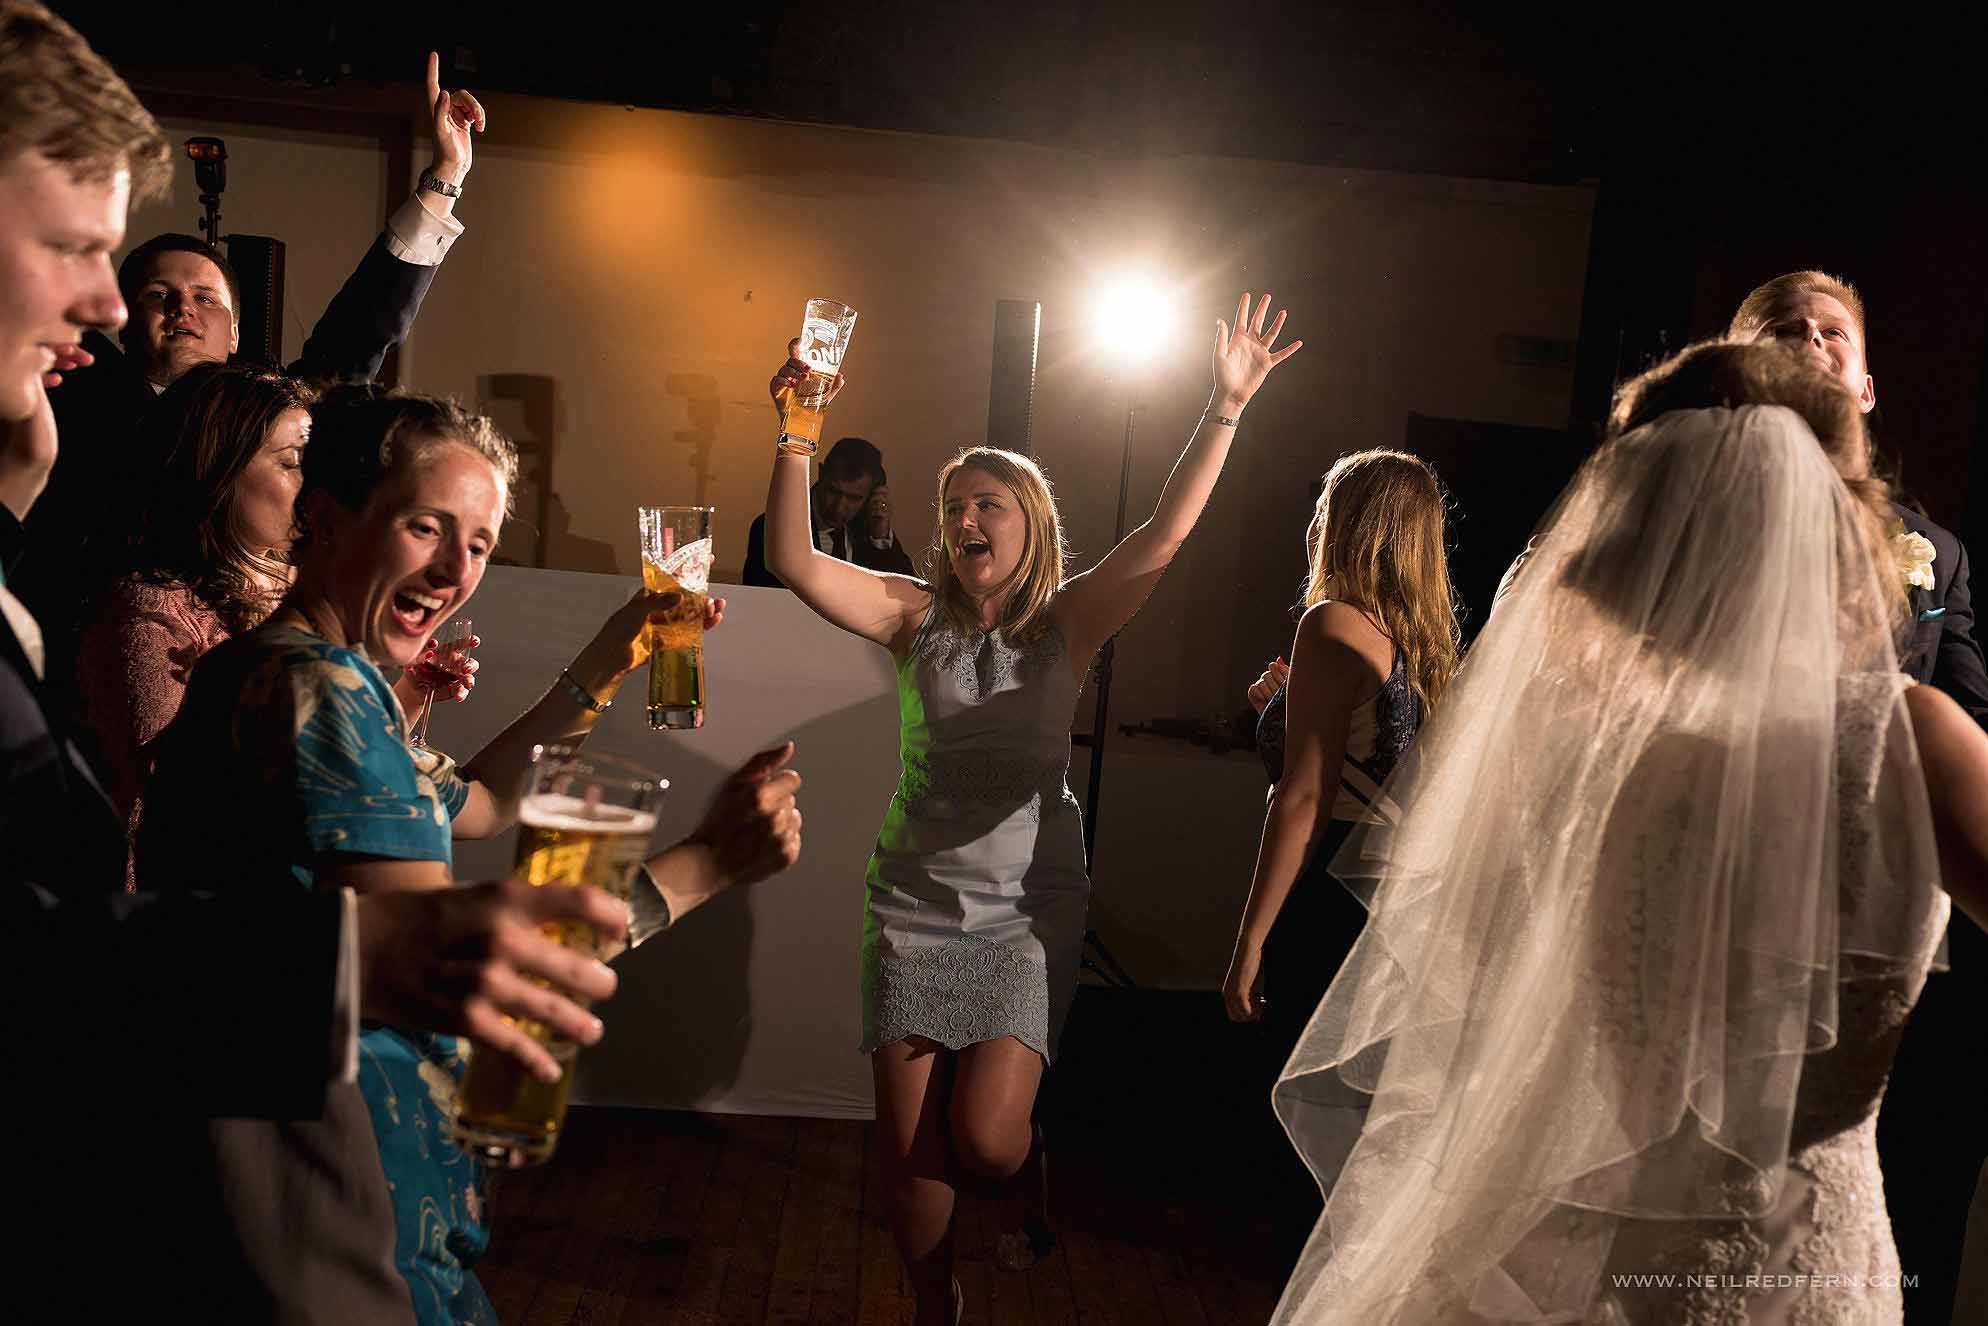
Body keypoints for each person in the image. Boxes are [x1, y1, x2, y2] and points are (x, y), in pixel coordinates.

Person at [0, 5, 630, 1317]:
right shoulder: (188, 619)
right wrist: (372, 943)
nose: (120, 307)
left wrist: (441, 194)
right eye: (81, 250)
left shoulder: (303, 660)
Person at [1269, 339, 1988, 1325]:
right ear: (1838, 517)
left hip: (1619, 1266)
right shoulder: (1904, 742)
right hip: (1809, 1271)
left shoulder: (1592, 768)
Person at [136, 386, 803, 1322]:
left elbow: (485, 803)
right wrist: (712, 862)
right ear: (327, 518)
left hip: (305, 1201)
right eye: (426, 527)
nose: (454, 568)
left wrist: (612, 657)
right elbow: (455, 967)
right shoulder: (318, 692)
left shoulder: (275, 669)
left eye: (481, 542)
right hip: (344, 1214)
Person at [763, 293, 1301, 1322]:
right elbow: (792, 560)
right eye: (954, 505)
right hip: (913, 902)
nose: (965, 519)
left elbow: (1163, 531)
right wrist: (798, 429)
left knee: (987, 1143)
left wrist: (1224, 408)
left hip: (1023, 907)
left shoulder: (1071, 620)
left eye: (988, 504)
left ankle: (1025, 1145)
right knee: (911, 1171)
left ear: (1029, 525)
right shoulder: (910, 615)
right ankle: (936, 1309)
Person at [13, 50, 486, 682]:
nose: (183, 308)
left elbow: (361, 331)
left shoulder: (271, 416)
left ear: (236, 333)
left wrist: (445, 176)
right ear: (120, 320)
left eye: (206, 298)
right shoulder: (71, 391)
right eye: (159, 295)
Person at [73, 364, 478, 884]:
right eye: (293, 462)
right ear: (216, 469)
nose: (314, 484)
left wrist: (409, 689)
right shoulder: (149, 609)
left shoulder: (293, 584)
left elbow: (316, 742)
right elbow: (189, 790)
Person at [1221, 449, 1459, 1260]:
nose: (1314, 522)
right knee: (1370, 1138)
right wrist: (1285, 708)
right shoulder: (1425, 649)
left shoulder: (1330, 622)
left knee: (1308, 1139)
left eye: (1327, 505)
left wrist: (1247, 945)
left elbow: (1305, 798)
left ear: (1352, 525)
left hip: (1333, 907)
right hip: (1403, 914)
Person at [1729, 270, 1988, 724]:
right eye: (1785, 330)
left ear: (1866, 392)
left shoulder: (1941, 554)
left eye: (1833, 332)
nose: (1811, 335)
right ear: (1734, 373)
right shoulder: (1692, 510)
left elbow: (1972, 714)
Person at [742, 434, 916, 586]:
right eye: (834, 491)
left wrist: (880, 535)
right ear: (821, 473)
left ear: (872, 494)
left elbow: (904, 595)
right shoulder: (771, 527)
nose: (840, 507)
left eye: (854, 498)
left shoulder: (869, 534)